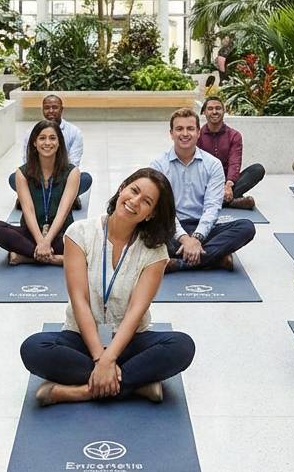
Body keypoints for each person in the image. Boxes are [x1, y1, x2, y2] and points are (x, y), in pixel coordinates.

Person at [20, 168, 195, 406]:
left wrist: (109, 358)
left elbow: (136, 311)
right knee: (33, 348)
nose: (134, 202)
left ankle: (77, 391)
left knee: (182, 346)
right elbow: (79, 299)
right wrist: (100, 358)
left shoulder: (156, 251)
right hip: (81, 337)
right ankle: (136, 384)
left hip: (130, 340)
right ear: (122, 187)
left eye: (146, 202)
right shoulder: (79, 233)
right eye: (134, 190)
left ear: (150, 215)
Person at [150, 107, 257, 272]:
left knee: (246, 227)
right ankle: (214, 259)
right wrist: (185, 239)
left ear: (199, 133)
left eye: (190, 129)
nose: (185, 133)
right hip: (170, 229)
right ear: (171, 133)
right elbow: (164, 211)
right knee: (144, 235)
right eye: (179, 129)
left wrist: (197, 237)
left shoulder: (212, 164)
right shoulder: (158, 165)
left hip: (204, 229)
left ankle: (179, 263)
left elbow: (212, 207)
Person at [0, 120, 81, 266]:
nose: (47, 143)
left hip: (61, 234)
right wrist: (41, 242)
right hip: (31, 233)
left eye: (52, 138)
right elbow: (28, 210)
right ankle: (55, 258)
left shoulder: (72, 172)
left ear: (59, 142)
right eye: (42, 138)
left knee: (83, 244)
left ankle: (27, 256)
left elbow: (63, 212)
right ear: (34, 143)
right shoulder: (22, 172)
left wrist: (47, 241)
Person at [8, 94, 93, 200]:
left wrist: (55, 179)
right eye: (47, 108)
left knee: (85, 179)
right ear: (42, 110)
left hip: (62, 178)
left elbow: (73, 163)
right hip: (38, 178)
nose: (51, 111)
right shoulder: (31, 132)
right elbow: (28, 160)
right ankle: (61, 198)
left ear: (61, 109)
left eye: (55, 107)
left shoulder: (74, 132)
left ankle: (57, 197)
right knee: (14, 178)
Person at [198, 96, 264, 211]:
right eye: (210, 108)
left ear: (224, 111)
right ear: (204, 112)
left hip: (229, 183)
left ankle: (221, 200)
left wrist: (228, 185)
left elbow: (235, 162)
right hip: (205, 183)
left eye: (218, 108)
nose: (214, 112)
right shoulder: (197, 135)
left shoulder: (234, 135)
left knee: (257, 169)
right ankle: (230, 202)